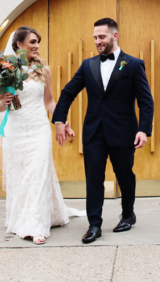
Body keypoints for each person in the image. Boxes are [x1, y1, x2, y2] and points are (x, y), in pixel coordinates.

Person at [52, 18, 154, 244]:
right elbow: (68, 92)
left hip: (123, 132)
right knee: (94, 179)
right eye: (95, 38)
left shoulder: (134, 64)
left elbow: (145, 101)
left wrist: (143, 130)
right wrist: (60, 119)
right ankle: (94, 224)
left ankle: (128, 214)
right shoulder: (88, 65)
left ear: (115, 36)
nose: (97, 41)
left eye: (102, 37)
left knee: (125, 177)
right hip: (94, 133)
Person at [0, 25, 85, 244]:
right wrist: (4, 101)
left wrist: (63, 121)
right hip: (16, 131)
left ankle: (36, 226)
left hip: (39, 129)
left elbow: (49, 101)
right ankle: (23, 219)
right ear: (19, 45)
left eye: (37, 42)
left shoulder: (43, 69)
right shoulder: (5, 70)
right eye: (32, 42)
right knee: (21, 177)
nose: (37, 46)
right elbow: (0, 108)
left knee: (38, 174)